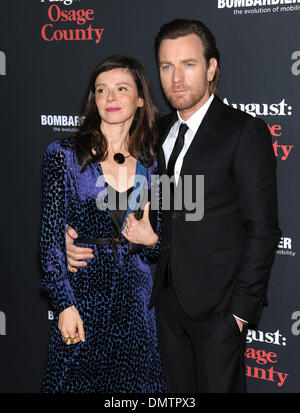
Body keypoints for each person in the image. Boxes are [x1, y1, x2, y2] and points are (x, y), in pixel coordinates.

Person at [66, 20, 281, 393]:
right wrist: (75, 241)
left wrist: (239, 314)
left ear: (212, 68)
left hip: (218, 311)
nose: (176, 78)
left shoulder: (244, 132)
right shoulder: (154, 131)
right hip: (163, 306)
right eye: (166, 67)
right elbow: (125, 202)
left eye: (189, 65)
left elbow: (262, 229)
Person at [40, 55, 166, 393]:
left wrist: (151, 240)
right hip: (81, 301)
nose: (110, 98)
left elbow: (160, 248)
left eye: (121, 89)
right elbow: (50, 243)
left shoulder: (154, 161)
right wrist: (64, 305)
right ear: (93, 100)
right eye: (102, 90)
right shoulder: (64, 155)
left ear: (140, 99)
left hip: (136, 309)